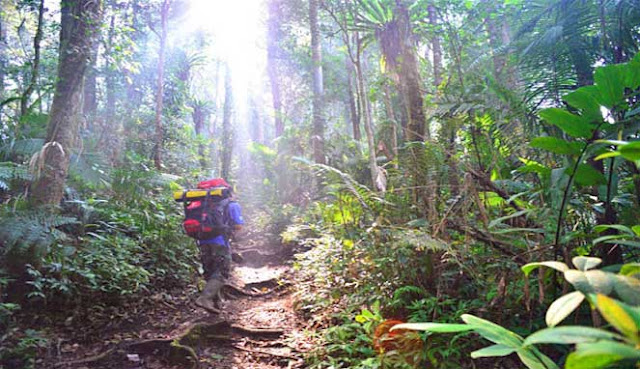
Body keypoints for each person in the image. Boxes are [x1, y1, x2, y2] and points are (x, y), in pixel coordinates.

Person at [194, 180, 244, 312]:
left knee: (211, 271)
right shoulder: (232, 205)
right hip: (220, 242)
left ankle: (216, 303)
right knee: (222, 271)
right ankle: (205, 298)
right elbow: (238, 225)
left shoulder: (201, 205)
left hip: (202, 241)